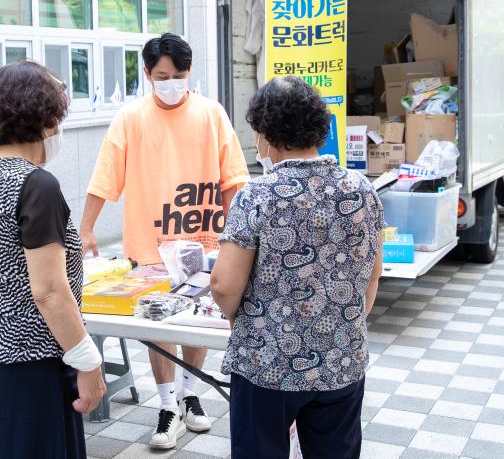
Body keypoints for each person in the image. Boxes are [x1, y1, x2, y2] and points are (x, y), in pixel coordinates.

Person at [81, 33, 249, 449]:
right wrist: (86, 228)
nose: (171, 83)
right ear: (147, 74)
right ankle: (167, 405)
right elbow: (103, 178)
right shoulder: (131, 117)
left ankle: (191, 396)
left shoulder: (211, 114)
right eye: (162, 76)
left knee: (198, 322)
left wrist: (241, 233)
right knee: (159, 326)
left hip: (205, 237)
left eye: (179, 75)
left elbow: (233, 181)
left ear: (189, 72)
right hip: (151, 242)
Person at [210, 76, 385, 459]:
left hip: (265, 363)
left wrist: (245, 322)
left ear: (264, 134)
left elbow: (224, 285)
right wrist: (342, 324)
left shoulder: (256, 196)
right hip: (342, 360)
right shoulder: (362, 191)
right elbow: (372, 273)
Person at [0, 60, 106, 459]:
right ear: (45, 119)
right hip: (29, 364)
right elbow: (49, 291)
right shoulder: (36, 184)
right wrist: (88, 361)